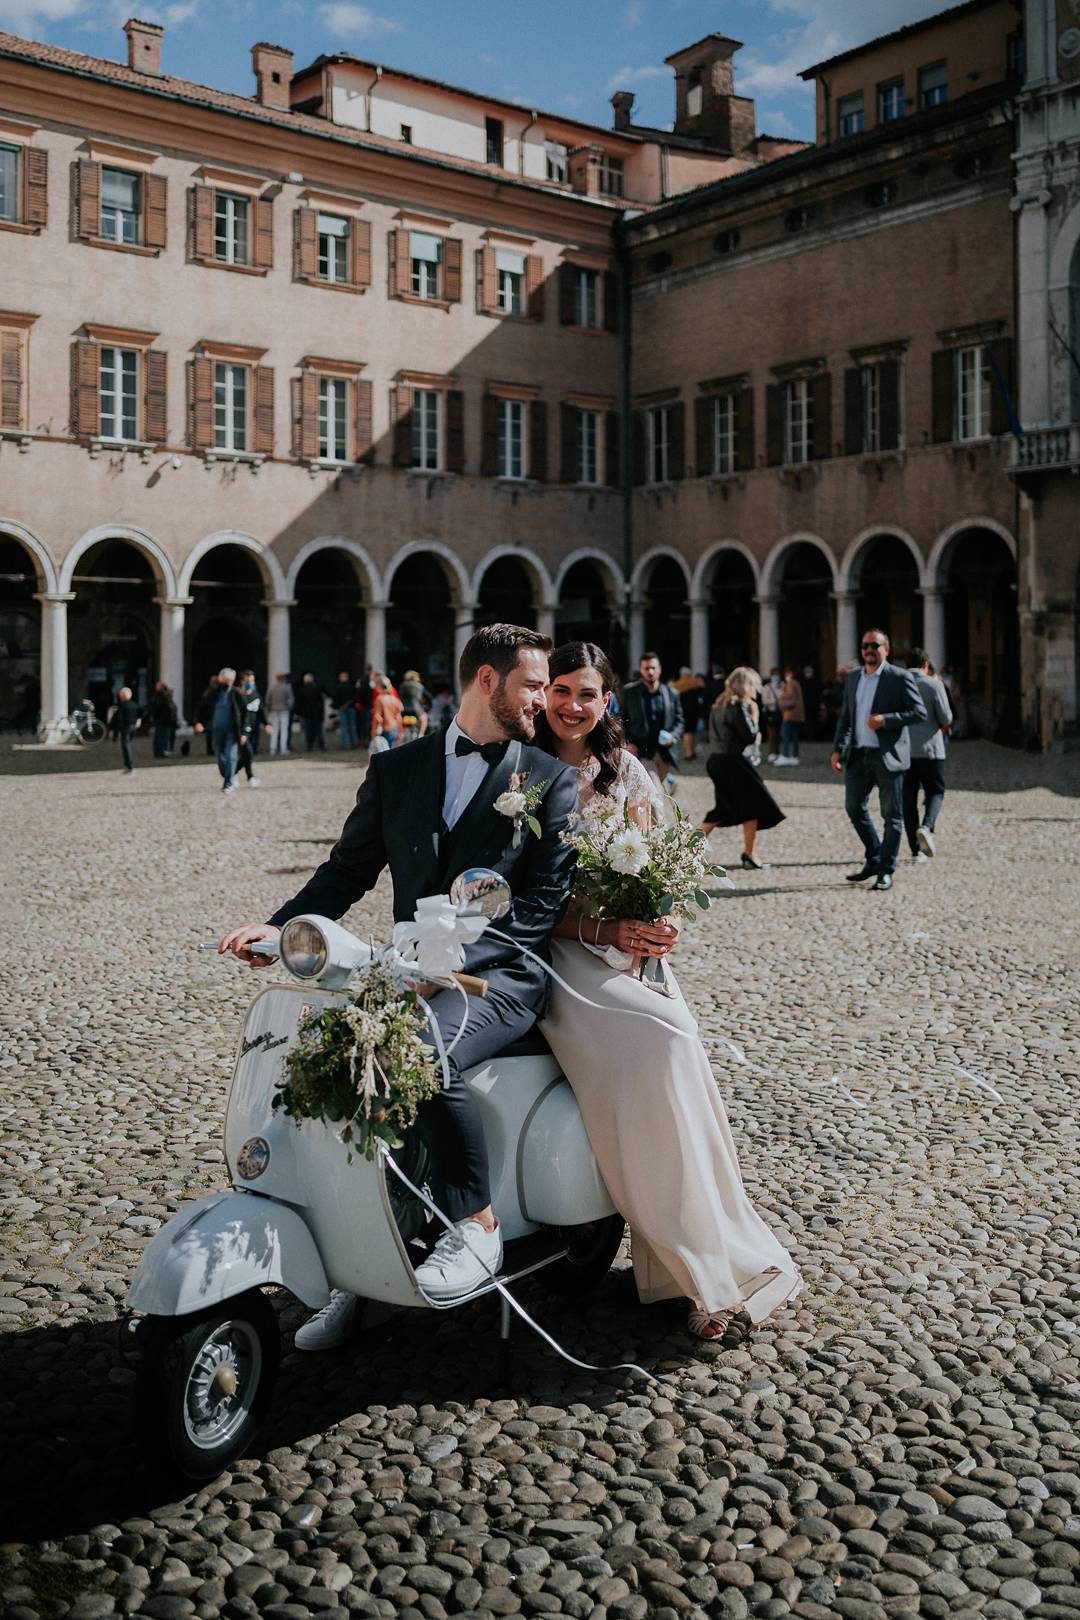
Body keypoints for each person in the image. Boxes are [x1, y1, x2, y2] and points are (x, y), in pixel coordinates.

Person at [220, 624, 578, 1342]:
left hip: (500, 982)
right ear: (487, 681)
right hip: (407, 972)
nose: (545, 699)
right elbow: (346, 871)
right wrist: (281, 928)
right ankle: (360, 1263)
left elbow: (539, 910)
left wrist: (452, 972)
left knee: (416, 1053)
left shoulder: (549, 777)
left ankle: (476, 1224)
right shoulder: (396, 768)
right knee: (327, 1067)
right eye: (534, 684)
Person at [535, 642, 801, 1341]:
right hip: (560, 959)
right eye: (559, 690)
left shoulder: (627, 776)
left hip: (632, 954)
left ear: (607, 701)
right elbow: (518, 905)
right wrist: (603, 926)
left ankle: (694, 1267)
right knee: (663, 1040)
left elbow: (668, 873)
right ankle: (698, 1269)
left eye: (585, 694)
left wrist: (666, 920)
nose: (570, 705)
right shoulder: (520, 774)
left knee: (683, 1052)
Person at [831, 630, 926, 891]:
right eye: (865, 646)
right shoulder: (853, 678)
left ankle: (886, 870)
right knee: (854, 807)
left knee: (892, 816)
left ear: (886, 648)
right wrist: (838, 748)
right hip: (858, 755)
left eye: (875, 645)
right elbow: (846, 718)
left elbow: (919, 712)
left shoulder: (899, 677)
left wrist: (886, 720)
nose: (869, 650)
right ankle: (874, 856)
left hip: (888, 756)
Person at [700, 667, 785, 869]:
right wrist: (755, 716)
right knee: (751, 804)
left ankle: (748, 852)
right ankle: (748, 853)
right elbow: (749, 734)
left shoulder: (717, 705)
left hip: (717, 760)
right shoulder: (738, 706)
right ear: (746, 686)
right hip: (734, 762)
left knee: (727, 809)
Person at [904, 648, 953, 863]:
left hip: (904, 751)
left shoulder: (898, 685)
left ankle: (915, 851)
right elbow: (946, 717)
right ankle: (927, 826)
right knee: (935, 791)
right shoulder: (934, 685)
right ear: (925, 664)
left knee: (908, 798)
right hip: (931, 750)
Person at [621, 652, 684, 794]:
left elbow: (679, 721)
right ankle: (660, 816)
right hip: (641, 752)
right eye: (646, 668)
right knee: (653, 792)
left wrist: (673, 737)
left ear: (659, 669)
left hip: (664, 754)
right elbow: (621, 720)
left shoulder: (672, 693)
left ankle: (667, 782)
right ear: (641, 670)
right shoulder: (630, 692)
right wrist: (626, 742)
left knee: (650, 792)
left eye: (653, 668)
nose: (650, 671)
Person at [194, 666, 247, 795]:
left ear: (232, 681)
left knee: (231, 755)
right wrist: (200, 722)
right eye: (224, 680)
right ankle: (229, 774)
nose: (225, 683)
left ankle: (228, 783)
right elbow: (203, 708)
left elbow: (245, 713)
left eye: (228, 681)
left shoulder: (236, 694)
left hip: (232, 730)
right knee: (219, 754)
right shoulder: (213, 693)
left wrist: (244, 732)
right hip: (216, 729)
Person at [237, 670, 270, 789]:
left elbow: (260, 711)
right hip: (242, 731)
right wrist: (243, 732)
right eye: (247, 681)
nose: (250, 683)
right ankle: (250, 777)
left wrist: (266, 724)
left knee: (247, 755)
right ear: (242, 681)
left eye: (252, 680)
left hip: (254, 730)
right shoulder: (238, 696)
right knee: (248, 753)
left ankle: (232, 773)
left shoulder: (256, 694)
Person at [672, 667, 706, 761]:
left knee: (687, 732)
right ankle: (690, 752)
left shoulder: (677, 685)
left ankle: (689, 752)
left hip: (683, 711)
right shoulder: (694, 682)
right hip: (694, 711)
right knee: (691, 732)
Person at [777, 666, 805, 765]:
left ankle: (785, 755)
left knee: (785, 735)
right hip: (797, 714)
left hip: (789, 714)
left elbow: (790, 697)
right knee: (794, 736)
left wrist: (781, 698)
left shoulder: (790, 684)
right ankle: (795, 756)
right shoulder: (796, 683)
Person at [111, 685, 140, 775]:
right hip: (132, 728)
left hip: (126, 728)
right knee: (127, 746)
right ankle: (128, 766)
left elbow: (118, 720)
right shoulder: (134, 705)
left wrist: (115, 734)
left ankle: (129, 767)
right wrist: (139, 720)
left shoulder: (122, 706)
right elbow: (141, 713)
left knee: (126, 747)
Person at [295, 673, 327, 753]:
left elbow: (299, 703)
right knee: (318, 731)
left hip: (307, 714)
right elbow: (321, 701)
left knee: (308, 731)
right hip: (317, 713)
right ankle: (321, 746)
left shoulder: (302, 690)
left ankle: (309, 746)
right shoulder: (318, 688)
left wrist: (300, 713)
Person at [370, 673, 404, 747]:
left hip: (385, 730)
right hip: (395, 729)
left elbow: (377, 717)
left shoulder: (380, 699)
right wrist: (401, 731)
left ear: (378, 686)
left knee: (385, 754)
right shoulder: (394, 699)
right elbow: (398, 717)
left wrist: (373, 732)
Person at [266, 672, 293, 757]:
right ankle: (283, 748)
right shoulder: (286, 687)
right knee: (284, 730)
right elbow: (291, 700)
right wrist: (289, 707)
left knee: (275, 730)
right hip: (284, 710)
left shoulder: (272, 687)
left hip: (274, 710)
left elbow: (267, 700)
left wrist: (269, 709)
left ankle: (272, 749)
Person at [149, 680, 178, 758]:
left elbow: (157, 707)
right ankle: (162, 751)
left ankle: (160, 751)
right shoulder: (166, 696)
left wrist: (153, 715)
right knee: (163, 736)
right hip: (166, 719)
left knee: (160, 736)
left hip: (162, 719)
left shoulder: (160, 696)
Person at [333, 670, 360, 750]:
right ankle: (354, 743)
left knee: (344, 726)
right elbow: (355, 697)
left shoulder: (339, 686)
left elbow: (336, 698)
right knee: (352, 726)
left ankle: (345, 744)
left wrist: (339, 705)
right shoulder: (352, 686)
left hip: (343, 708)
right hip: (351, 708)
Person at [400, 669, 430, 740]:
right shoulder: (419, 686)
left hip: (404, 711)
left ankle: (402, 735)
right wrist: (427, 706)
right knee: (424, 717)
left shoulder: (402, 686)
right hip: (416, 711)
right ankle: (421, 734)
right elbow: (429, 697)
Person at [194, 674, 220, 756]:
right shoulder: (210, 693)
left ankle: (211, 750)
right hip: (211, 717)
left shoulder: (210, 692)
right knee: (212, 735)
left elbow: (201, 707)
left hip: (212, 717)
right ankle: (211, 750)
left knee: (212, 735)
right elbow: (202, 707)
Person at [761, 670, 782, 761]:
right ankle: (771, 752)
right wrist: (774, 701)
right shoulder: (767, 687)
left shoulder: (782, 686)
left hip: (780, 712)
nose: (776, 677)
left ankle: (777, 752)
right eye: (775, 675)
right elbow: (764, 701)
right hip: (771, 713)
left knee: (778, 734)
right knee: (772, 734)